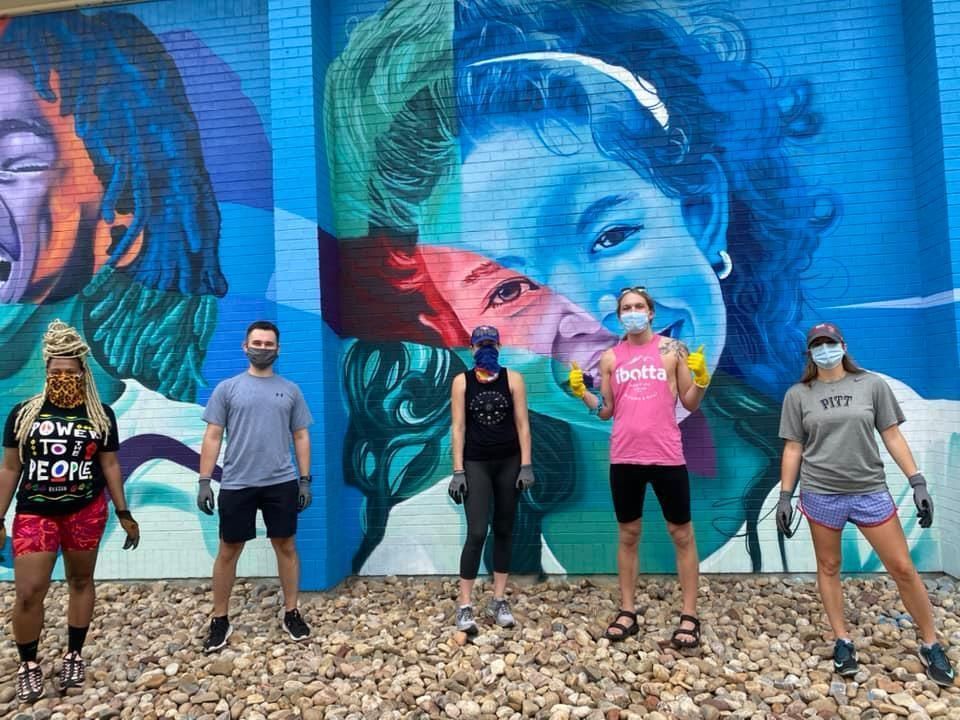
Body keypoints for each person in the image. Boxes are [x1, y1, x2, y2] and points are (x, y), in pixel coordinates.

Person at [326, 0, 838, 576]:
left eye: (612, 235)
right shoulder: (429, 542)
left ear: (702, 214)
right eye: (508, 290)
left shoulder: (873, 463)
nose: (586, 313)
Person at [776, 322, 956, 686]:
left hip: (869, 490)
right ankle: (842, 640)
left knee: (902, 567)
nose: (825, 350)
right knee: (829, 566)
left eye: (830, 343)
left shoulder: (871, 385)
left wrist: (917, 481)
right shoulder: (798, 394)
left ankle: (930, 642)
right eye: (817, 345)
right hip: (821, 493)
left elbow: (892, 435)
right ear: (809, 353)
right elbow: (793, 447)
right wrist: (785, 495)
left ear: (843, 345)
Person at [0, 320, 139, 702]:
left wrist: (124, 512)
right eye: (55, 371)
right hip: (36, 511)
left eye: (70, 371)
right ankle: (28, 663)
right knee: (29, 591)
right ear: (46, 371)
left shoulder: (100, 415)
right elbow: (10, 467)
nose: (62, 377)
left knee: (80, 581)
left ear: (82, 372)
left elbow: (110, 464)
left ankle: (74, 654)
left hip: (85, 511)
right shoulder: (24, 414)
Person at [568, 288, 709, 648]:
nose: (633, 312)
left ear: (651, 313)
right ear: (619, 317)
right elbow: (607, 411)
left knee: (681, 534)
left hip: (667, 456)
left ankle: (689, 615)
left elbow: (690, 402)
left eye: (639, 307)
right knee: (628, 534)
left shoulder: (673, 350)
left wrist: (702, 380)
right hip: (625, 457)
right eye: (626, 308)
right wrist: (583, 395)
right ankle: (627, 611)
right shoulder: (610, 358)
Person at [197, 320, 314, 652]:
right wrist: (204, 480)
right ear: (245, 346)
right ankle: (220, 618)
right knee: (228, 550)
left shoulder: (290, 390)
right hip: (237, 483)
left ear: (278, 349)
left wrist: (305, 480)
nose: (262, 348)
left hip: (281, 482)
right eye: (257, 343)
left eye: (268, 344)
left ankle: (291, 612)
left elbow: (301, 436)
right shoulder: (228, 389)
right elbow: (213, 436)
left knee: (286, 546)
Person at [448, 325, 534, 633]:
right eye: (480, 344)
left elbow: (523, 424)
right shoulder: (462, 382)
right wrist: (458, 471)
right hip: (476, 463)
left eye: (490, 343)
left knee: (504, 529)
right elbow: (458, 427)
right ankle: (464, 604)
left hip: (509, 462)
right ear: (472, 349)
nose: (486, 348)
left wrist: (526, 465)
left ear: (499, 347)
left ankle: (498, 599)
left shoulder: (513, 379)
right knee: (476, 532)